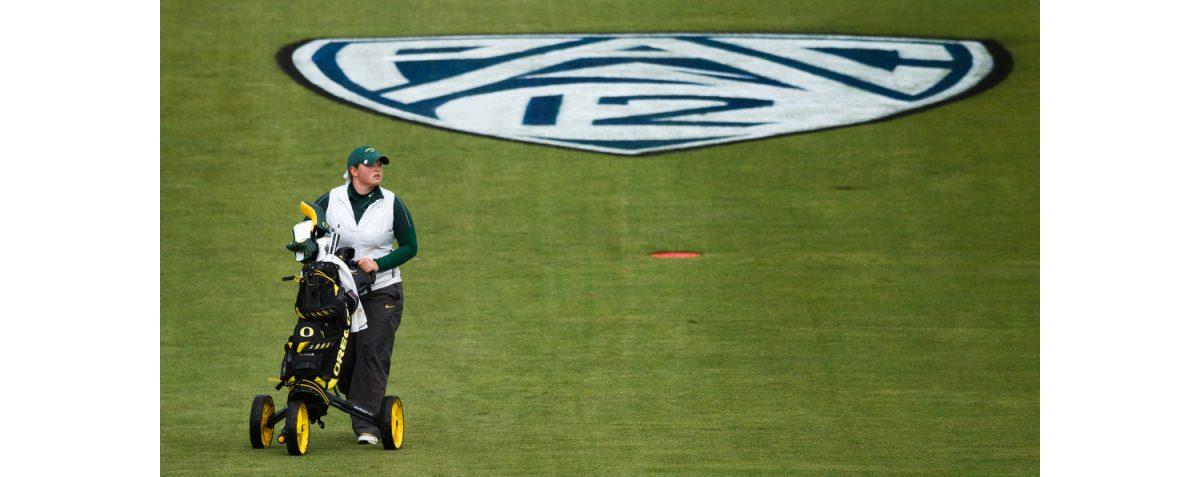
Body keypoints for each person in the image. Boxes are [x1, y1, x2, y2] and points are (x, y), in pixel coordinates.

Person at [296, 145, 418, 445]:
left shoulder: (391, 203)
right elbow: (308, 230)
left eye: (380, 165)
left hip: (381, 290)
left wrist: (378, 263)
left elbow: (410, 246)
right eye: (371, 165)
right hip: (340, 292)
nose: (378, 169)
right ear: (354, 171)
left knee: (372, 352)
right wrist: (305, 247)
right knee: (345, 357)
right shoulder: (332, 199)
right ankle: (363, 406)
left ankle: (367, 427)